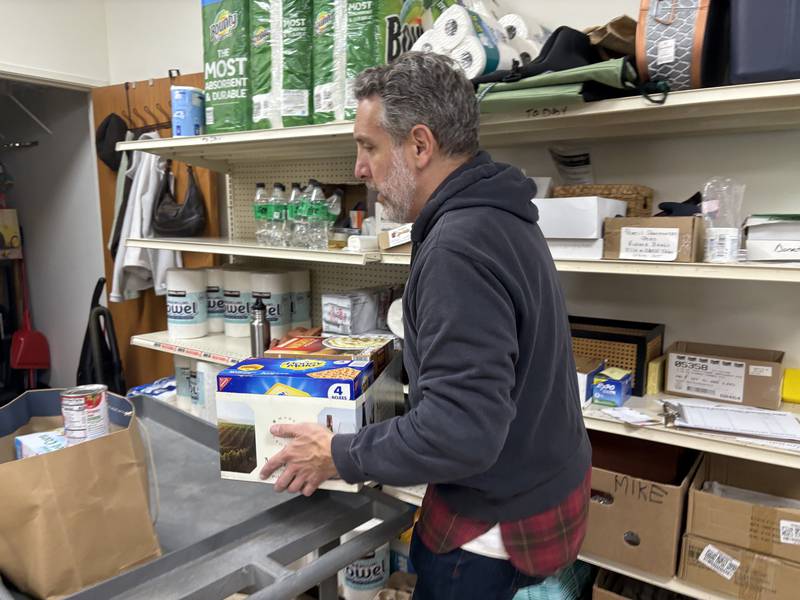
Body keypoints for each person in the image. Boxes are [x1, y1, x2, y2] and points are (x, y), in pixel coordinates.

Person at [259, 52, 591, 599]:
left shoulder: (458, 247)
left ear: (419, 145)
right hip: (544, 485)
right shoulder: (499, 213)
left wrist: (337, 453)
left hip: (490, 533)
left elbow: (461, 432)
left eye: (368, 146)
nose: (359, 169)